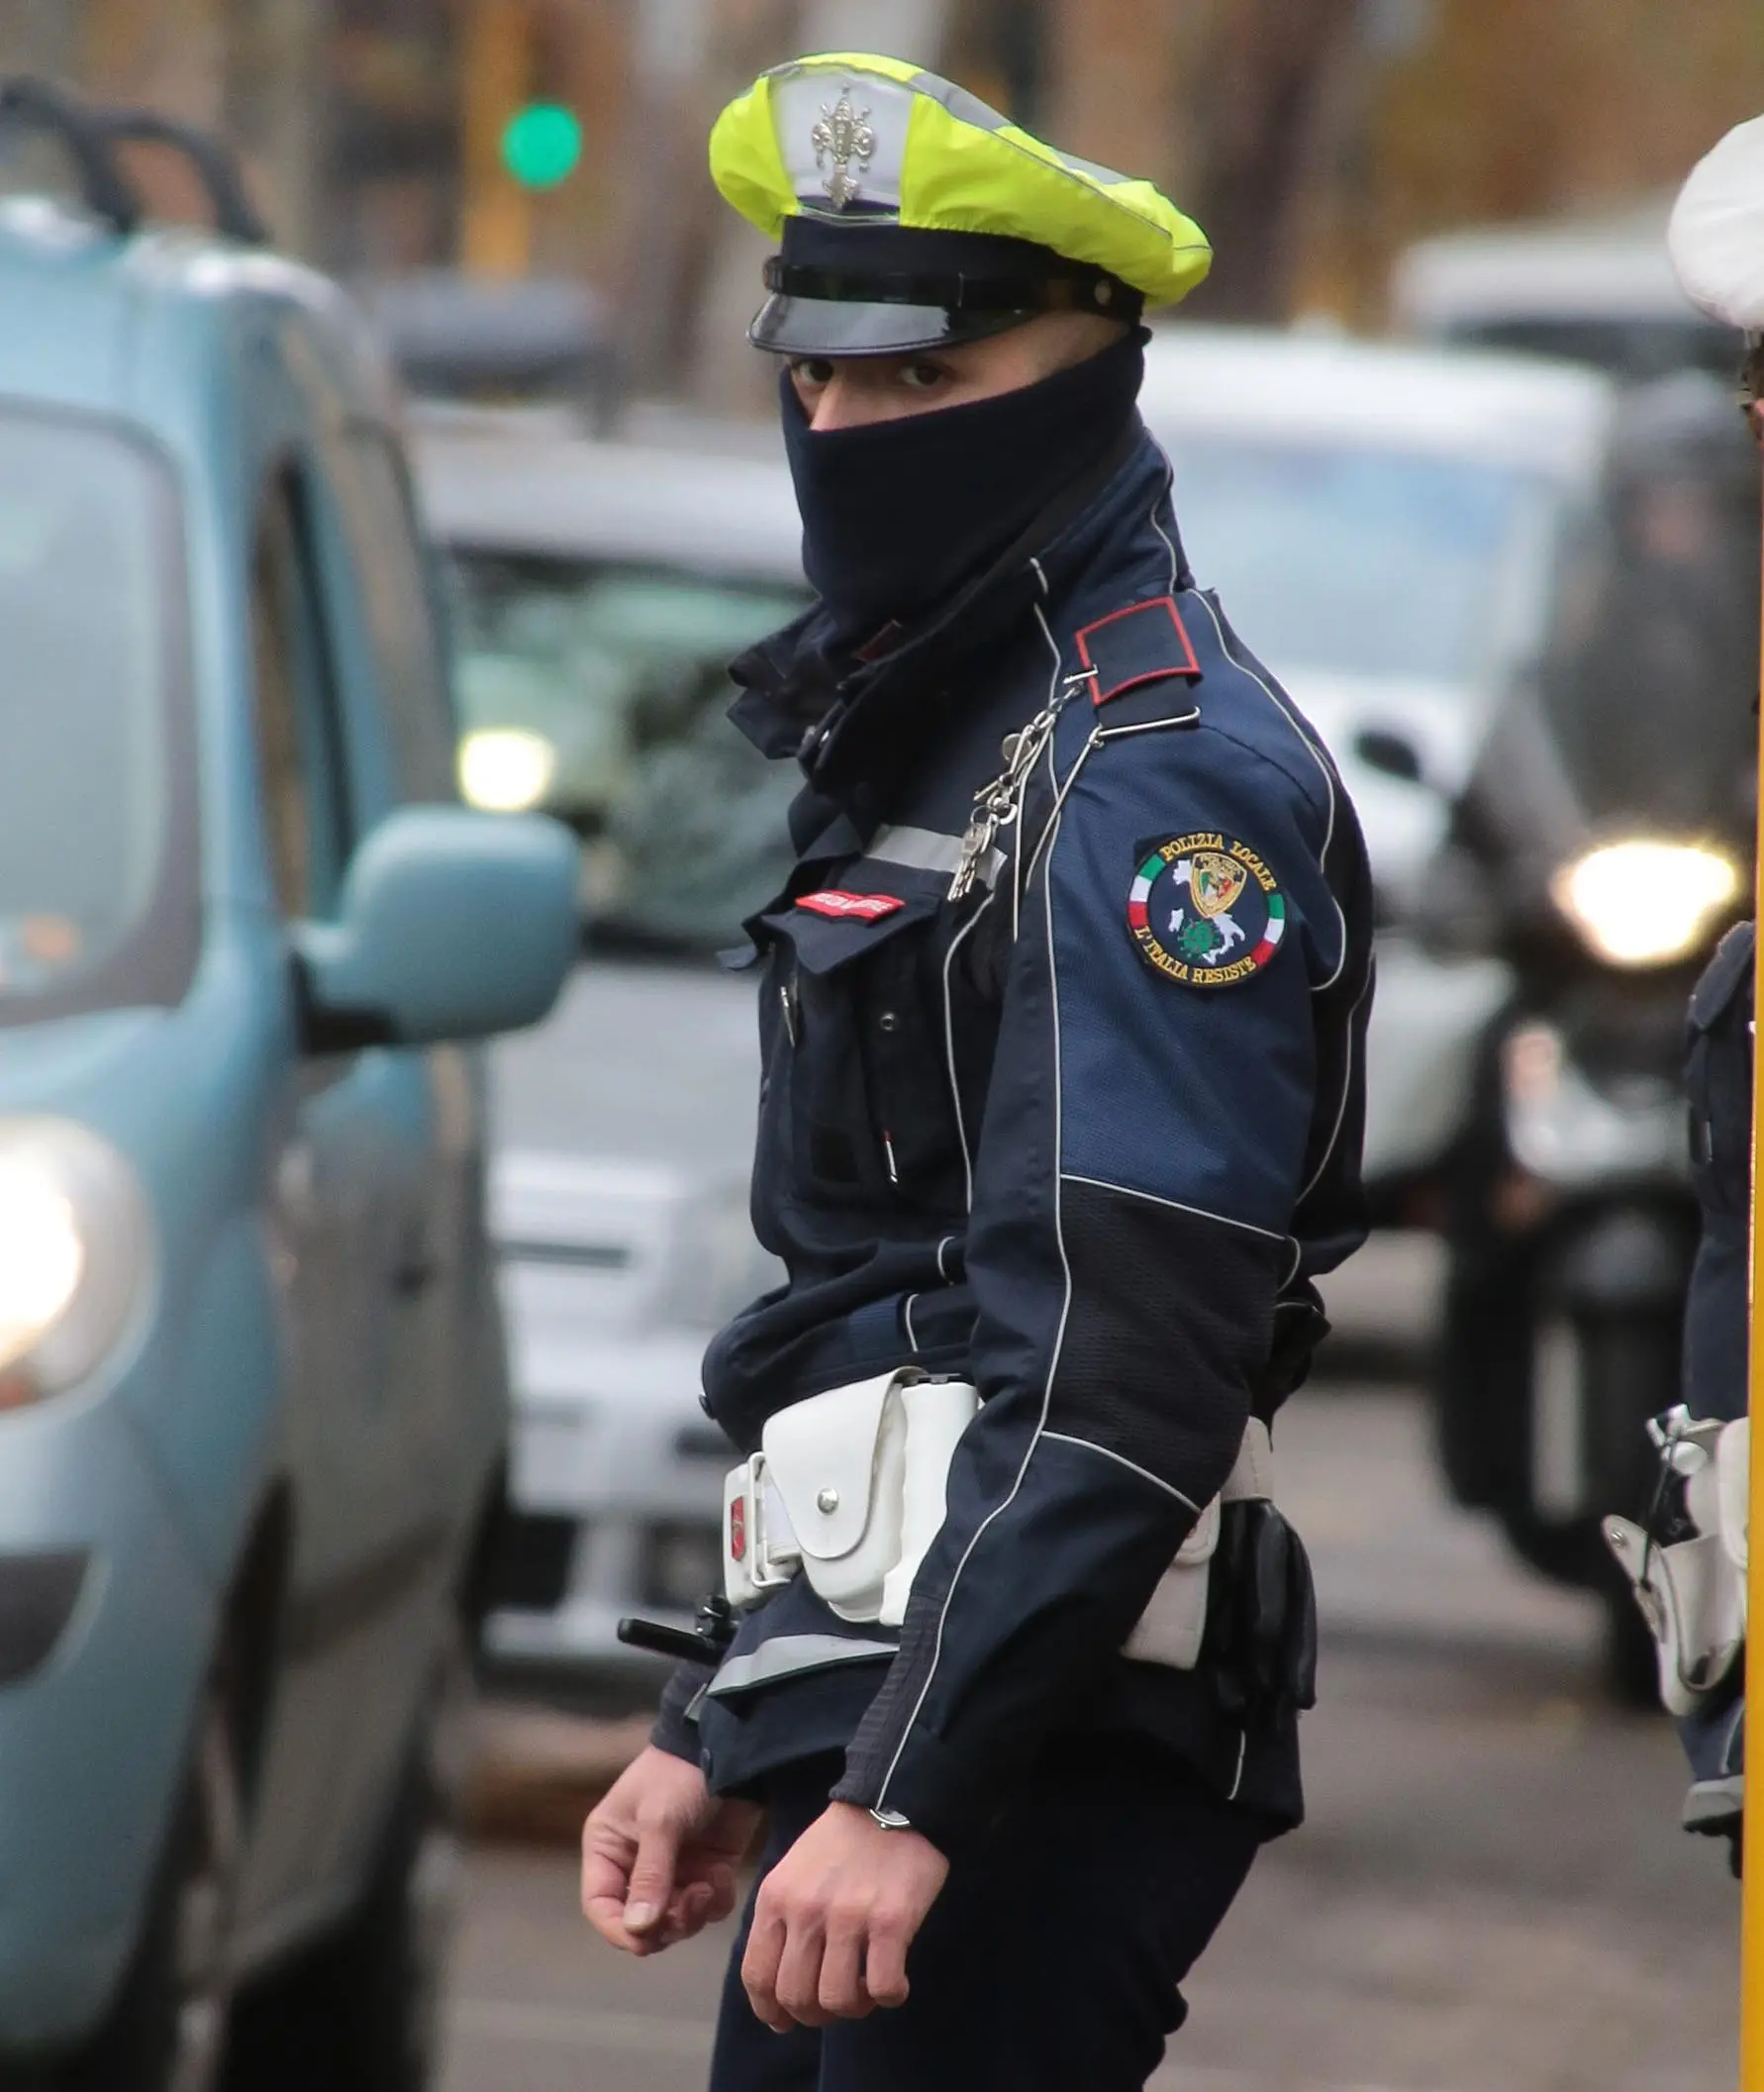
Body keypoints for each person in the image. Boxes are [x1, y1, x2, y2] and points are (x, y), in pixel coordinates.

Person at [579, 52, 1374, 2088]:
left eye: (918, 385)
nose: (841, 431)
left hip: (1046, 1734)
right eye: (820, 380)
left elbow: (1119, 1355)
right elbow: (872, 1295)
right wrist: (724, 1716)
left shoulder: (1148, 774)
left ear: (1092, 377)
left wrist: (915, 1791)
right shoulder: (941, 712)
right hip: (897, 1708)